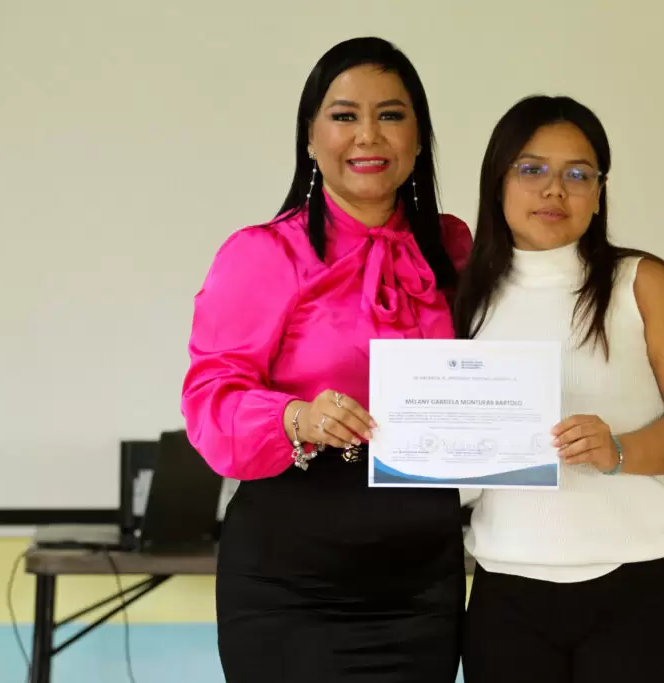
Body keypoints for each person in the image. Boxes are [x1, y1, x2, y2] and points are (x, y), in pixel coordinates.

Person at [180, 37, 473, 683]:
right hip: (291, 579)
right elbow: (210, 399)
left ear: (419, 136)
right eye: (344, 115)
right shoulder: (261, 254)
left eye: (391, 115)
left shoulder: (454, 249)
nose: (368, 134)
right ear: (310, 138)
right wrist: (296, 416)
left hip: (423, 578)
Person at [454, 95, 664, 683]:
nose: (555, 190)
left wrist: (619, 451)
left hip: (640, 584)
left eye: (578, 174)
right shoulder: (461, 296)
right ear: (497, 180)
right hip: (506, 587)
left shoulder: (641, 281)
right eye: (532, 170)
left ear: (599, 192)